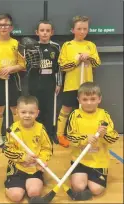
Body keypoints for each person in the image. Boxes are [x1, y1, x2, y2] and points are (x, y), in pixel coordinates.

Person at [67, 82, 119, 196]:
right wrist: (86, 138)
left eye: (93, 99)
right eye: (85, 99)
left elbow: (114, 138)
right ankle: (81, 178)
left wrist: (104, 134)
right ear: (79, 100)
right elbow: (70, 138)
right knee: (78, 187)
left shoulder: (104, 115)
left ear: (99, 99)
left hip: (98, 161)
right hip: (79, 159)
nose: (89, 103)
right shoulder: (74, 115)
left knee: (96, 190)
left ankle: (92, 179)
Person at [57, 16, 101, 147]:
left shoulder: (90, 45)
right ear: (73, 30)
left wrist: (89, 57)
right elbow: (63, 66)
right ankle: (60, 134)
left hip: (87, 86)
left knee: (87, 109)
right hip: (71, 84)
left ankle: (86, 134)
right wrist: (77, 61)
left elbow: (97, 63)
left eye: (85, 29)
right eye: (79, 29)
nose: (82, 31)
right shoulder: (67, 45)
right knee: (66, 109)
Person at [3, 96, 52, 203]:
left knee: (34, 193)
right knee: (16, 196)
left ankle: (30, 184)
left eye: (31, 112)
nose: (27, 115)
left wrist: (42, 160)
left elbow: (47, 148)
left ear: (37, 113)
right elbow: (7, 151)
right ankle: (13, 186)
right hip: (17, 168)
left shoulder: (40, 129)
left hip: (34, 168)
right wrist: (23, 157)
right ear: (17, 112)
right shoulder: (12, 130)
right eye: (23, 112)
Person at [0, 14, 25, 148]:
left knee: (15, 108)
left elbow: (22, 64)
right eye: (0, 25)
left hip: (13, 78)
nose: (3, 27)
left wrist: (11, 68)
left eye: (6, 25)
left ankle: (15, 134)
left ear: (11, 27)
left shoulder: (16, 43)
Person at [27, 20, 62, 143]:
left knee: (49, 108)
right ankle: (37, 134)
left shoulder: (56, 47)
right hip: (35, 81)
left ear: (52, 32)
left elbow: (59, 67)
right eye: (42, 30)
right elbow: (26, 66)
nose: (45, 33)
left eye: (47, 30)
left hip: (50, 82)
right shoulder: (32, 47)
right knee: (36, 108)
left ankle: (50, 133)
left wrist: (58, 83)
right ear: (37, 32)